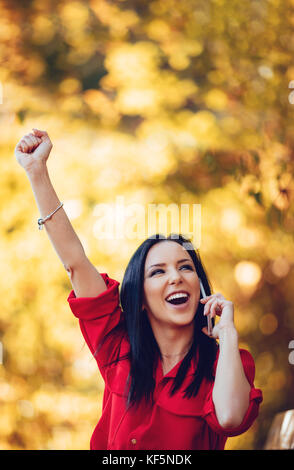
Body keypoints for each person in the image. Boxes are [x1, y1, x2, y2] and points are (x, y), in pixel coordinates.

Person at [15, 129, 263, 450]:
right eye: (158, 272)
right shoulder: (116, 348)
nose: (175, 277)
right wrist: (37, 172)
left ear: (200, 287)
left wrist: (227, 334)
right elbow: (74, 261)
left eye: (185, 267)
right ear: (141, 299)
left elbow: (230, 418)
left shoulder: (226, 363)